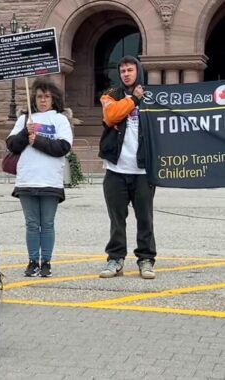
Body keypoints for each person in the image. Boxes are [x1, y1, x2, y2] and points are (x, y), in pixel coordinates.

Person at [6, 77, 73, 277]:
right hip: (27, 179)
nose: (42, 101)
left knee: (48, 224)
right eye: (39, 97)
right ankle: (33, 260)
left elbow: (63, 147)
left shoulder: (60, 120)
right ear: (33, 99)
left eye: (47, 97)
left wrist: (38, 140)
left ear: (53, 99)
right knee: (32, 224)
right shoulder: (24, 120)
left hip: (50, 181)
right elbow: (11, 145)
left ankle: (47, 262)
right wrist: (24, 134)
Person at [98, 55, 157, 280]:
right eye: (122, 70)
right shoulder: (110, 95)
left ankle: (146, 259)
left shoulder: (152, 96)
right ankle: (115, 258)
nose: (126, 74)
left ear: (138, 71)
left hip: (143, 170)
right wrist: (133, 98)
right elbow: (111, 116)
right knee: (116, 218)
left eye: (130, 70)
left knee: (145, 218)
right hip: (116, 169)